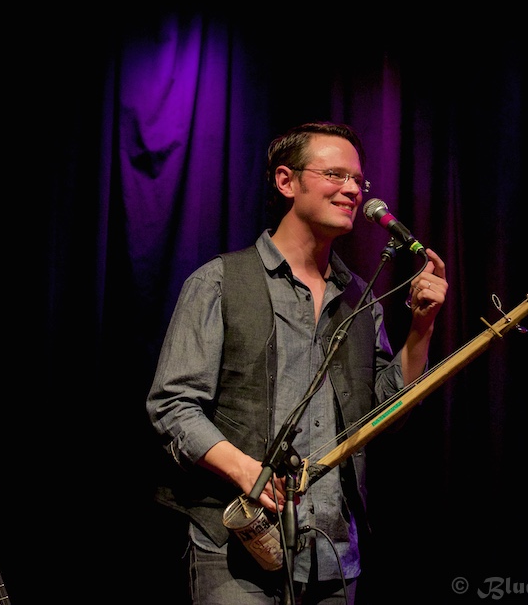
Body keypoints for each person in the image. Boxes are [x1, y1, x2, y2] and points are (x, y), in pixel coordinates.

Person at [145, 121, 447, 604]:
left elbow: (387, 412)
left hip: (333, 553)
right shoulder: (220, 282)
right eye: (335, 175)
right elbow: (173, 405)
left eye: (358, 181)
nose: (352, 190)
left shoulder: (361, 303)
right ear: (287, 181)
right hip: (237, 547)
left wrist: (422, 328)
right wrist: (249, 472)